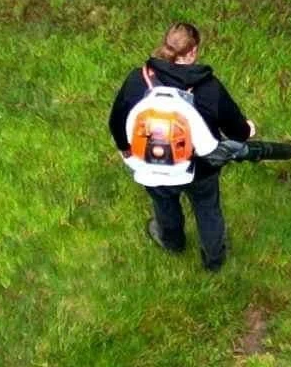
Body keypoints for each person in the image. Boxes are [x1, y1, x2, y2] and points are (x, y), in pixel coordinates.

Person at [108, 21, 255, 273]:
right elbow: (236, 131)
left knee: (164, 203)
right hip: (200, 167)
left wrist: (126, 149)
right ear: (193, 51)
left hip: (151, 164)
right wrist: (247, 129)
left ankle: (172, 242)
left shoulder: (137, 79)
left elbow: (116, 120)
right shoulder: (209, 88)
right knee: (207, 209)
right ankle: (214, 260)